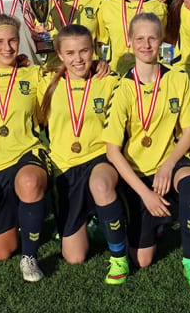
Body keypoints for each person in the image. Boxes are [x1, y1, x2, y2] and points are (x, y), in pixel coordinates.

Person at [103, 13, 190, 290]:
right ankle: (154, 222)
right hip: (138, 172)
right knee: (143, 260)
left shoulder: (178, 78)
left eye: (152, 37)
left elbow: (189, 131)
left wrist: (168, 165)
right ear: (130, 41)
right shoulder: (122, 87)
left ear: (161, 39)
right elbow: (113, 151)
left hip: (171, 161)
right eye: (140, 38)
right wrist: (145, 194)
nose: (146, 44)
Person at [38, 24, 128, 285]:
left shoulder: (109, 81)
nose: (78, 59)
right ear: (60, 54)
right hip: (65, 167)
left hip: (100, 158)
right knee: (74, 257)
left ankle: (119, 257)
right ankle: (95, 222)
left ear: (94, 51)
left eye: (85, 51)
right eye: (70, 53)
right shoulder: (46, 82)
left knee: (100, 184)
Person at [0, 14, 51, 282]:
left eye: (12, 41)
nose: (7, 47)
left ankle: (30, 257)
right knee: (1, 251)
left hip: (28, 152)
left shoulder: (33, 74)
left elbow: (66, 72)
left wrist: (97, 64)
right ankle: (25, 214)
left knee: (28, 182)